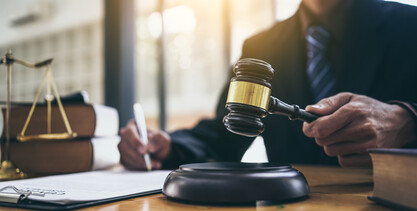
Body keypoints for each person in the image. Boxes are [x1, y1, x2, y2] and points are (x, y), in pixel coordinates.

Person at [118, 0, 417, 170]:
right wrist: (167, 146)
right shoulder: (260, 47)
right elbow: (224, 134)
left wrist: (408, 122)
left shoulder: (411, 27)